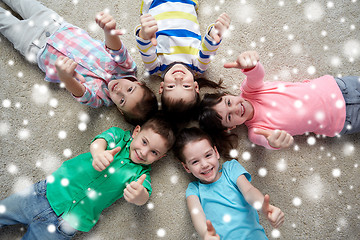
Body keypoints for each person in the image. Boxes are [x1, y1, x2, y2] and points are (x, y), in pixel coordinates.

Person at [0, 115, 175, 239]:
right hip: (45, 193)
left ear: (160, 157)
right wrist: (99, 153)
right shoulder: (119, 137)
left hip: (66, 223)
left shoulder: (141, 174)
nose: (144, 152)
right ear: (136, 131)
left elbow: (144, 195)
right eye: (144, 142)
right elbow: (99, 142)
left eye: (154, 152)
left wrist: (139, 195)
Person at [0, 0, 158, 125]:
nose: (119, 91)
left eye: (122, 100)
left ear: (120, 110)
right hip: (56, 25)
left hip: (35, 47)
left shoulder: (100, 99)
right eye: (130, 89)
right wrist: (109, 31)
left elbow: (81, 93)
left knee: (4, 22)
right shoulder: (127, 68)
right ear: (139, 83)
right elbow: (117, 51)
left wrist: (65, 77)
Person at [198, 50, 359, 152]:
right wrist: (273, 140)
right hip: (342, 120)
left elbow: (256, 75)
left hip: (337, 87)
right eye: (229, 117)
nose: (235, 109)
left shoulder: (249, 91)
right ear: (232, 127)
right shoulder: (257, 131)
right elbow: (267, 140)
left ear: (227, 95)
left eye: (228, 102)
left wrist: (250, 65)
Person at [173, 127, 284, 240]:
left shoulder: (230, 169)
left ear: (216, 153)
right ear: (186, 167)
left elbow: (249, 190)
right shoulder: (194, 190)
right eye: (195, 162)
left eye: (208, 155)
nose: (204, 164)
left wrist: (262, 206)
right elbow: (196, 214)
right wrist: (205, 234)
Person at [135, 0, 229, 120]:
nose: (178, 79)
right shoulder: (199, 66)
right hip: (186, 3)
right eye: (185, 86)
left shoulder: (155, 67)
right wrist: (215, 32)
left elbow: (145, 48)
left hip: (157, 3)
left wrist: (143, 34)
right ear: (196, 87)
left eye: (171, 86)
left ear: (161, 87)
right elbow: (208, 48)